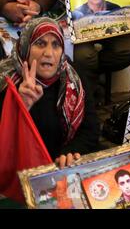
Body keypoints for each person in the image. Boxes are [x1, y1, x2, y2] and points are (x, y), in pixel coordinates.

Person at [0, 17, 99, 166]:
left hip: (62, 168)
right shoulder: (5, 82)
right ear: (25, 47)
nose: (49, 53)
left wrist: (70, 153)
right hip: (20, 172)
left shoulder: (74, 78)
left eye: (56, 45)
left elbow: (90, 130)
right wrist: (19, 106)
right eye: (40, 43)